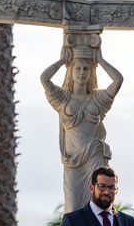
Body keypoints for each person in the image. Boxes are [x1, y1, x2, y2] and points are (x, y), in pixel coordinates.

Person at [41, 45, 123, 213]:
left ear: (91, 73)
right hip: (72, 162)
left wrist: (100, 60)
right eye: (77, 68)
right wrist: (63, 61)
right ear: (70, 72)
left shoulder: (98, 98)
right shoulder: (63, 98)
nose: (82, 72)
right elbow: (44, 79)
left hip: (95, 156)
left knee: (98, 203)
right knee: (72, 207)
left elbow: (118, 80)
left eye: (86, 69)